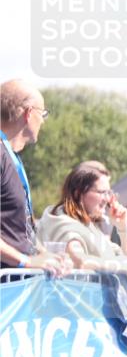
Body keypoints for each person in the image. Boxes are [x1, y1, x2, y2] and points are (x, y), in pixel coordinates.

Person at [37, 160, 127, 292]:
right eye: (102, 192)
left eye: (109, 193)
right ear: (78, 193)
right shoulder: (62, 223)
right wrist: (123, 267)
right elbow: (80, 262)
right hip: (70, 306)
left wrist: (123, 228)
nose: (107, 199)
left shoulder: (90, 227)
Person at [0, 79, 67, 273]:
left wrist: (44, 256)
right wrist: (25, 261)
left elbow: (15, 231)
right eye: (42, 113)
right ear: (29, 113)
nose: (44, 120)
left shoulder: (10, 156)